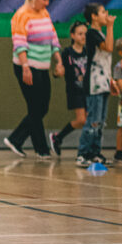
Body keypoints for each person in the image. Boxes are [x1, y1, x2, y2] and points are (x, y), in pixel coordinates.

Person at [4, 0, 64, 161]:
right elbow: (19, 43)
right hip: (27, 66)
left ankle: (16, 139)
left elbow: (53, 37)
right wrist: (25, 67)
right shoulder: (21, 15)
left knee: (42, 107)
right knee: (35, 107)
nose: (46, 3)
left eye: (48, 0)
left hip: (43, 66)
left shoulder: (44, 13)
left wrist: (58, 61)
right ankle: (41, 149)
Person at [76, 2, 116, 167]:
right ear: (94, 16)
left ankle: (95, 152)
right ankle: (83, 153)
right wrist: (111, 27)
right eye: (102, 12)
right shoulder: (92, 33)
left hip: (104, 82)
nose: (106, 14)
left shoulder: (99, 33)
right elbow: (108, 48)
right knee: (93, 120)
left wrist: (111, 80)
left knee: (101, 121)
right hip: (94, 83)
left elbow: (105, 60)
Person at [49, 21, 88, 157]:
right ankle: (58, 136)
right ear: (72, 35)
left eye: (85, 34)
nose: (83, 36)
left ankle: (60, 138)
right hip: (75, 90)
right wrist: (57, 72)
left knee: (89, 120)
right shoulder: (67, 53)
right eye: (80, 34)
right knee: (82, 120)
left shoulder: (88, 51)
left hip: (87, 91)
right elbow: (58, 71)